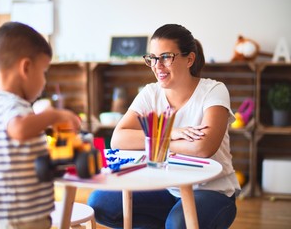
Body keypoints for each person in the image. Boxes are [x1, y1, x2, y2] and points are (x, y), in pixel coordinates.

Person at [87, 24, 241, 229]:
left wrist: (154, 141)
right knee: (100, 203)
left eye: (166, 57)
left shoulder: (214, 91)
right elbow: (119, 138)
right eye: (152, 58)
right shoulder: (151, 93)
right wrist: (172, 135)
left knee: (177, 224)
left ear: (190, 59)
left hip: (212, 191)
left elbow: (203, 148)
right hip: (166, 188)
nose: (157, 66)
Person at [0, 21, 80, 229]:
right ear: (26, 67)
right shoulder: (11, 106)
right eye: (43, 72)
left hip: (16, 209)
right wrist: (54, 115)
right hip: (19, 214)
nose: (43, 81)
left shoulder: (5, 104)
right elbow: (20, 130)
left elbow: (24, 144)